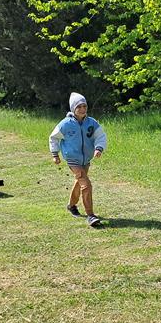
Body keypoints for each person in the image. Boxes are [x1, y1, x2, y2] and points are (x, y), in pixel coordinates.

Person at [49, 92, 107, 227]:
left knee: (79, 182)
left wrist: (98, 148)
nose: (82, 109)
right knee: (86, 185)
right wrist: (55, 154)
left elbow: (100, 136)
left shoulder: (92, 123)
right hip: (72, 159)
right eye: (79, 107)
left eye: (84, 106)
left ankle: (71, 205)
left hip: (86, 159)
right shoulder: (65, 124)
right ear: (73, 109)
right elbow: (54, 138)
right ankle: (90, 215)